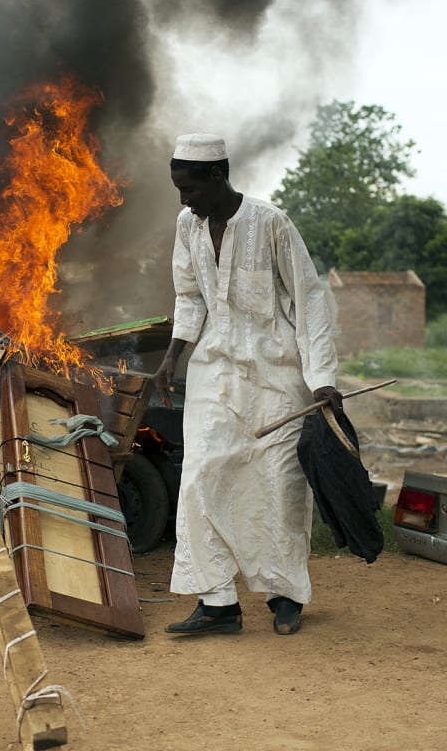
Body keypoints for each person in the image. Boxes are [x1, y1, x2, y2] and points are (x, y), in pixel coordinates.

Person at [153, 132, 342, 636]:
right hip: (214, 368)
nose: (182, 199)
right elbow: (189, 295)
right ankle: (216, 603)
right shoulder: (186, 225)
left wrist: (321, 377)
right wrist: (173, 356)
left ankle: (285, 597)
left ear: (218, 175)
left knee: (279, 484)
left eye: (188, 188)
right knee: (199, 478)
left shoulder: (271, 222)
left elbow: (310, 299)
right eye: (177, 189)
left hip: (276, 372)